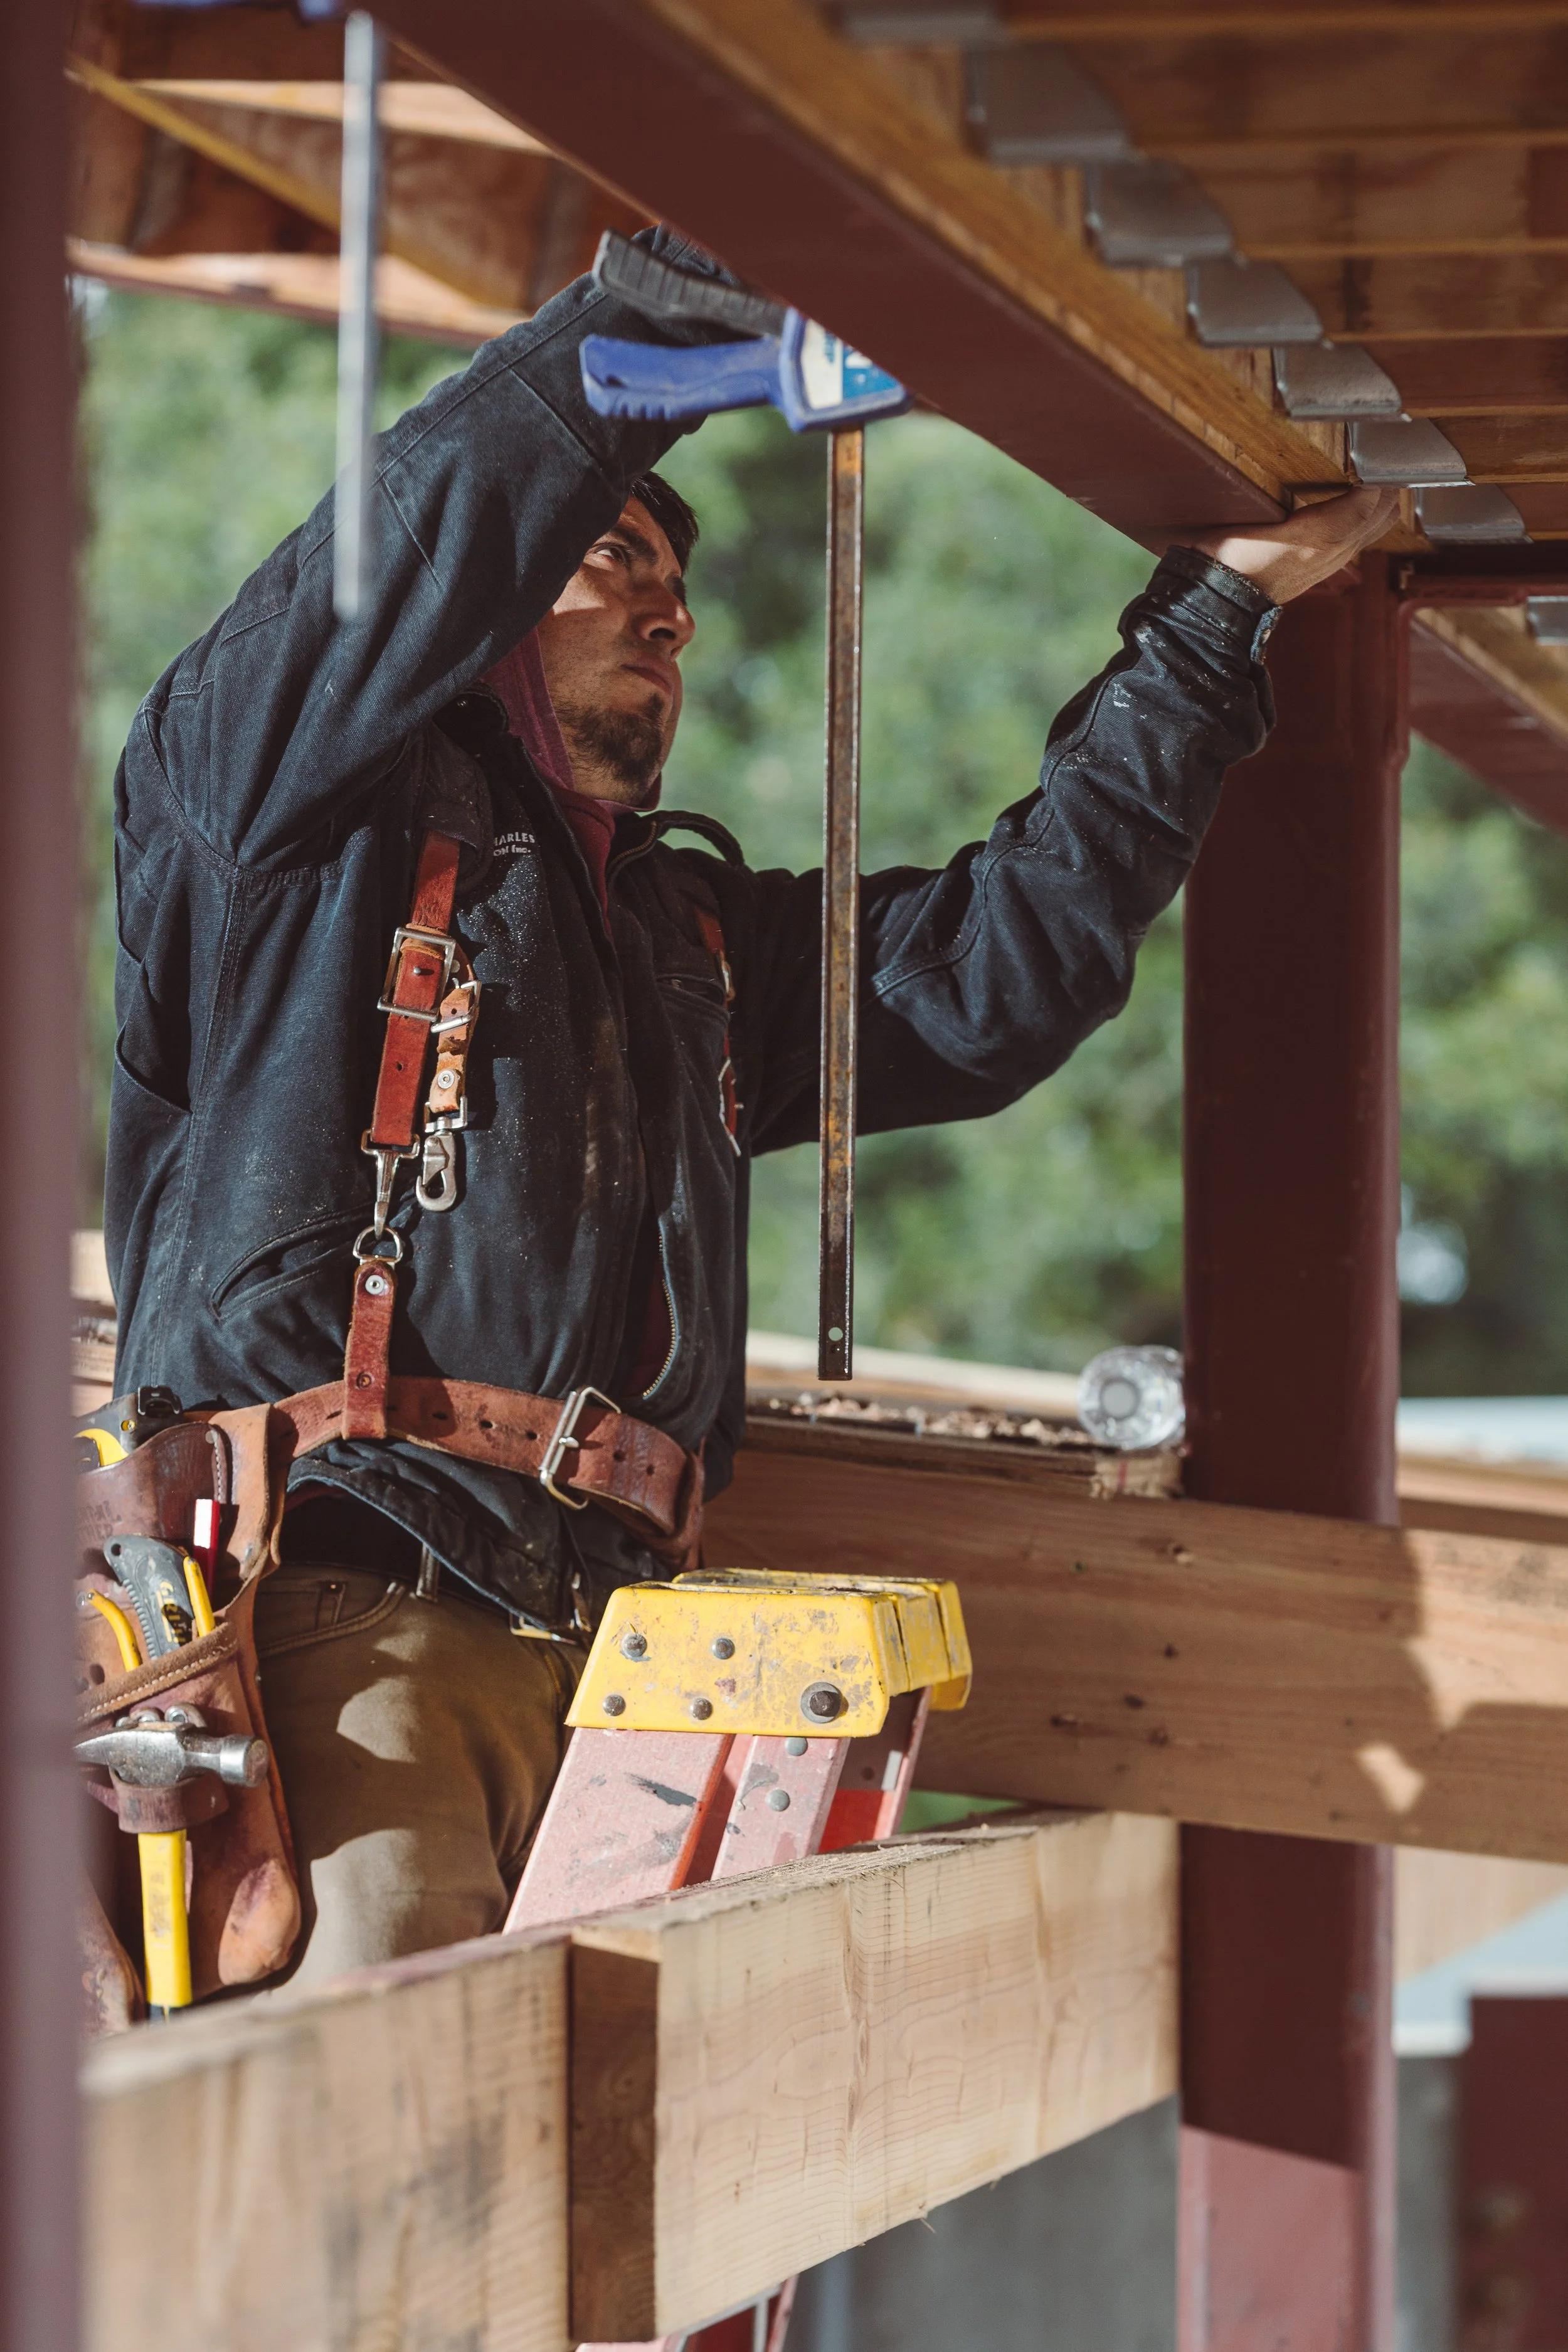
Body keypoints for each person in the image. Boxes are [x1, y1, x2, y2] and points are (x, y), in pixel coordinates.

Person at [105, 230, 1396, 1982]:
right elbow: (410, 536)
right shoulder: (277, 827)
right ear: (481, 615)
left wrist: (1208, 625)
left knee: (630, 2142)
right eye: (611, 558)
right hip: (348, 1623)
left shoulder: (686, 940)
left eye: (677, 583)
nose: (674, 614)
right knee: (378, 2131)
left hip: (634, 1665)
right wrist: (657, 314)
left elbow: (995, 977)